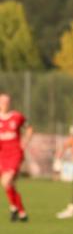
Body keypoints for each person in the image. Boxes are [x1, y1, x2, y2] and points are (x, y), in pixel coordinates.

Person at [0, 92, 32, 222]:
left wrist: (25, 142)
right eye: (2, 101)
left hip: (15, 154)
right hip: (2, 154)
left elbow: (29, 129)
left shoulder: (17, 117)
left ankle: (15, 208)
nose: (5, 104)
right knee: (9, 184)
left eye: (7, 101)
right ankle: (20, 211)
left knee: (6, 181)